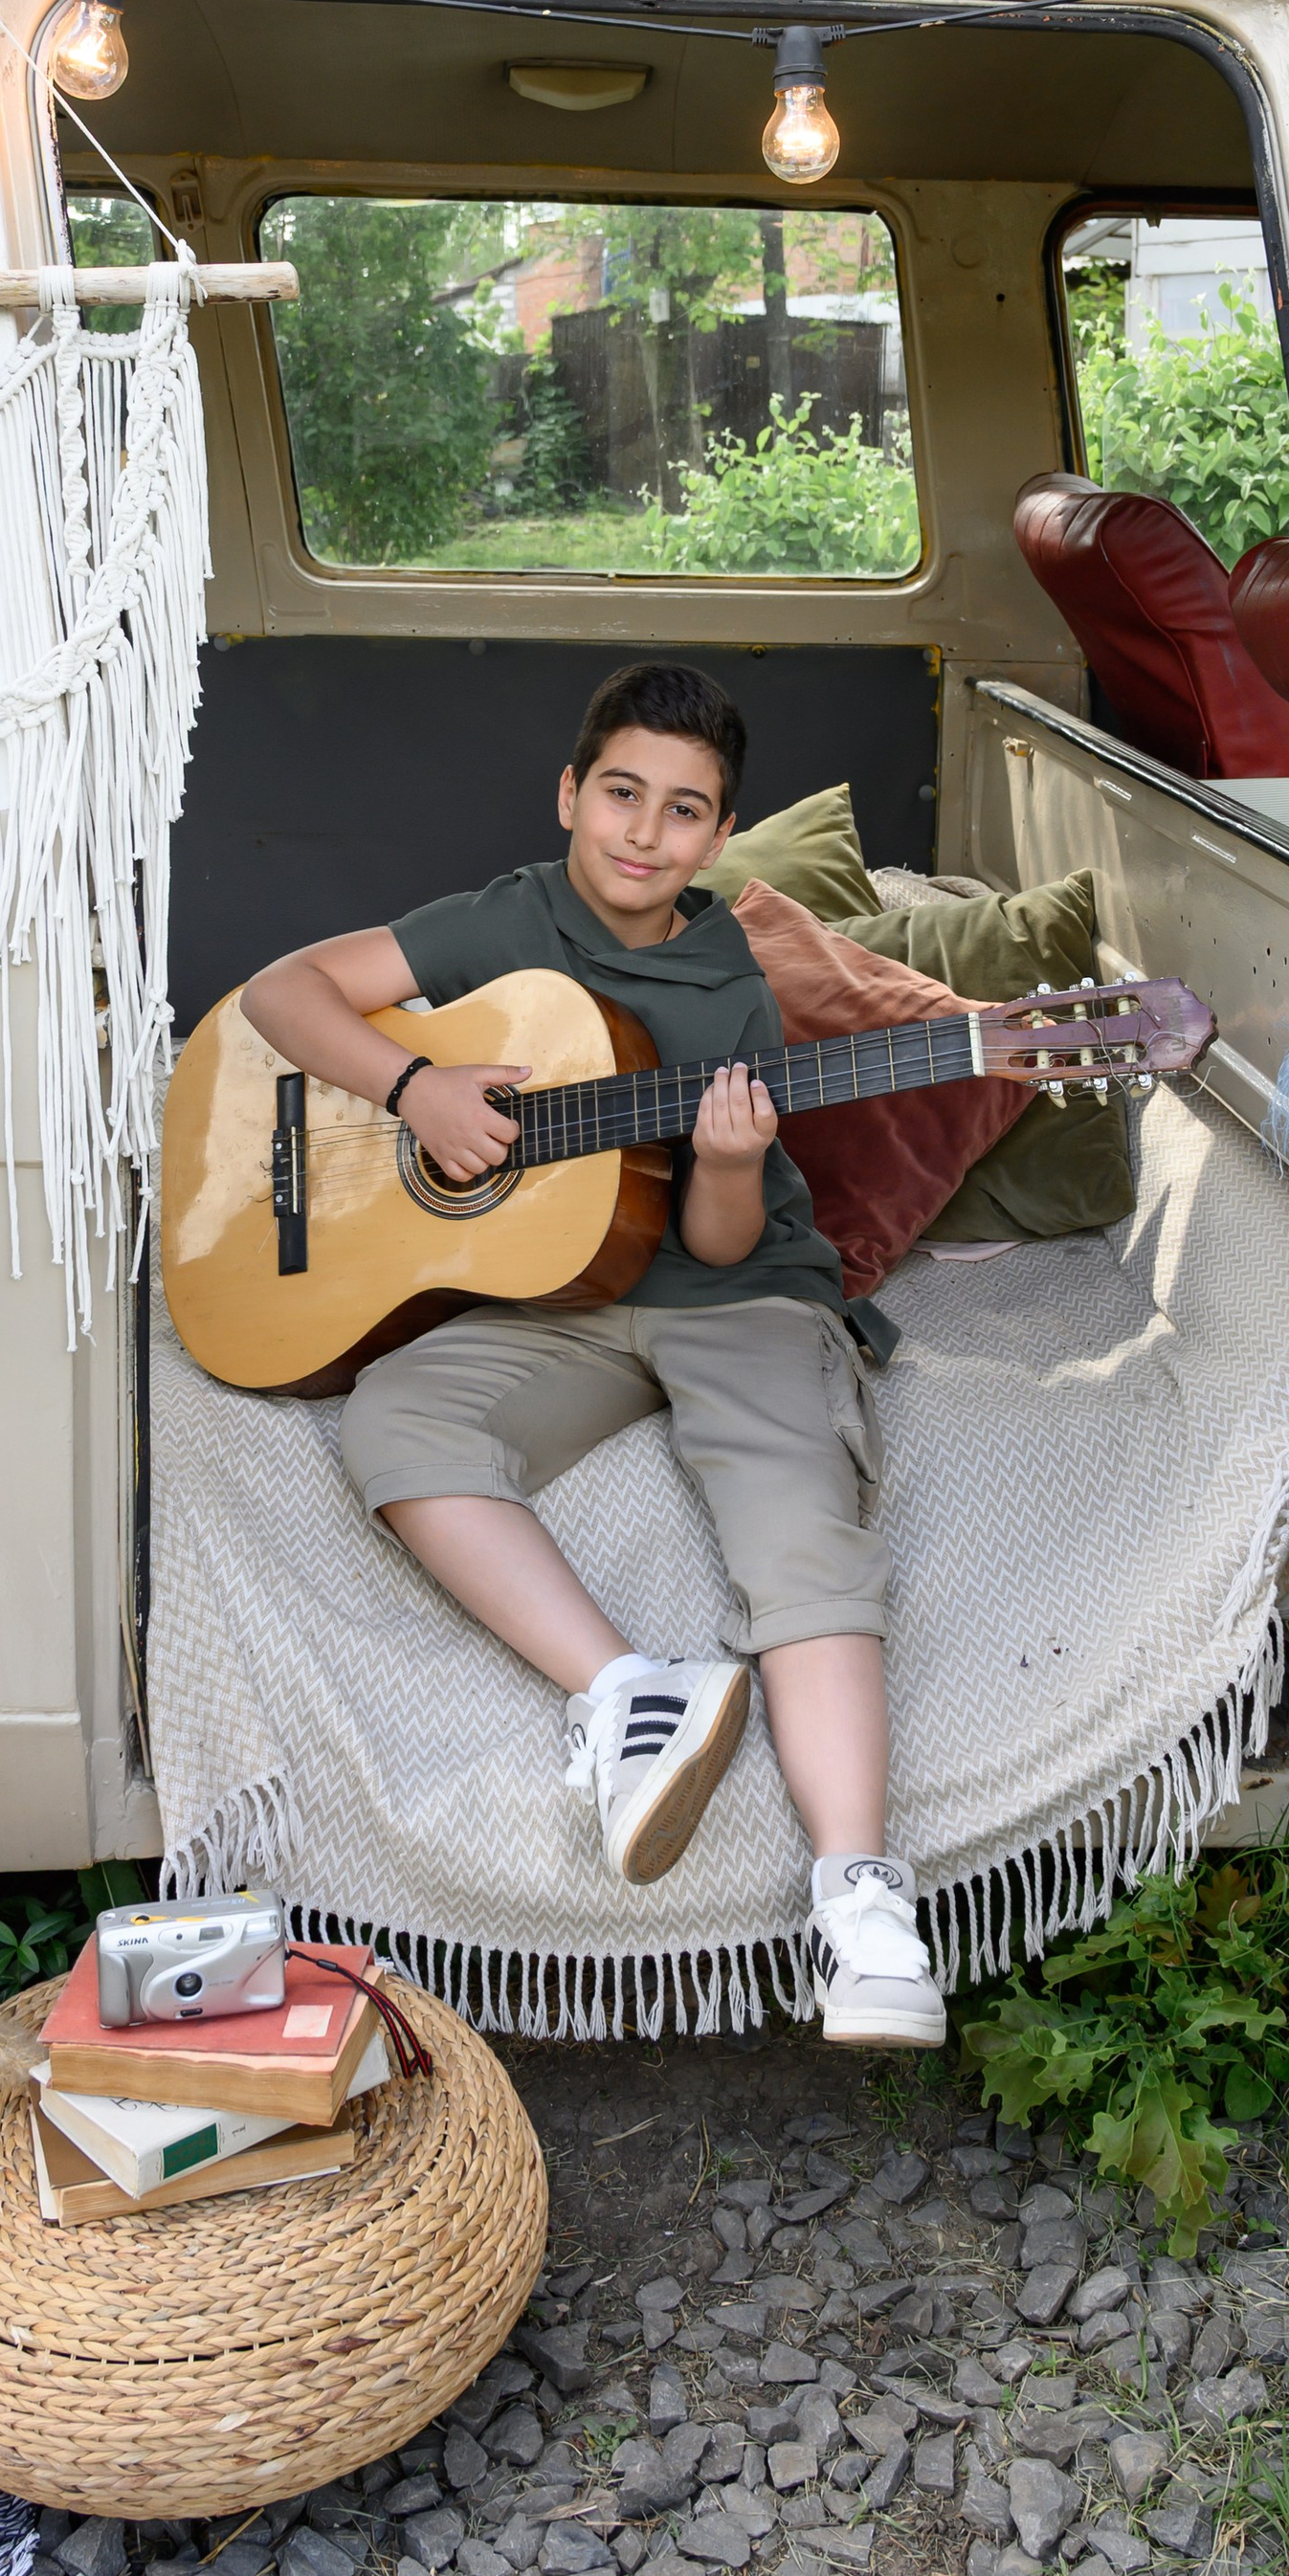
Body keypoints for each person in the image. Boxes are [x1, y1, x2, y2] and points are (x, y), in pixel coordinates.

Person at [241, 658, 945, 2048]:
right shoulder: (509, 917)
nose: (644, 831)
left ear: (717, 838)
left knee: (798, 1513)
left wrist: (732, 1164)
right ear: (571, 795)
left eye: (686, 812)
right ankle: (630, 1693)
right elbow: (282, 993)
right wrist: (414, 1086)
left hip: (732, 1294)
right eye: (621, 793)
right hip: (555, 1295)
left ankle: (862, 1897)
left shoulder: (730, 982)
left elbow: (723, 1246)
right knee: (397, 1419)